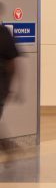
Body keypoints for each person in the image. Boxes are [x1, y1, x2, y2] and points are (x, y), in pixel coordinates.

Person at [0, 8, 18, 156]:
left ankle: (7, 146)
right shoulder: (4, 33)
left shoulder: (4, 33)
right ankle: (7, 146)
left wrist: (11, 86)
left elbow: (12, 62)